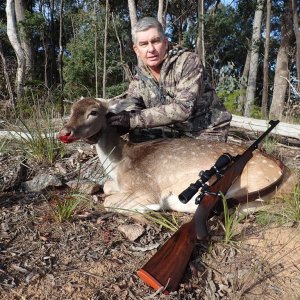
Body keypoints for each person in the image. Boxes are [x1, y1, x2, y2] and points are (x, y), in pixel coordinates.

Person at [107, 17, 231, 142]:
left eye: (155, 41)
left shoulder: (188, 62)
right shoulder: (138, 79)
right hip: (174, 130)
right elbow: (132, 107)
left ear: (165, 43)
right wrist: (117, 121)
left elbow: (183, 109)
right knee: (136, 135)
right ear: (136, 50)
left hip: (205, 131)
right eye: (144, 44)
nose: (151, 49)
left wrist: (132, 120)